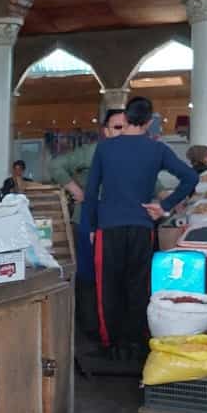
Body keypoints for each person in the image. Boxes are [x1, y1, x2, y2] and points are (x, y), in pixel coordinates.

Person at [82, 96, 198, 362]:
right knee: (139, 286)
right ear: (148, 121)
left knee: (107, 288)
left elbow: (91, 193)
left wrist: (89, 226)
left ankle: (111, 344)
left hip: (107, 227)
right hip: (142, 226)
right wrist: (164, 205)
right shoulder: (157, 149)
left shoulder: (105, 149)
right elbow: (190, 177)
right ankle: (137, 343)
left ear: (126, 117)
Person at [49, 108, 127, 338]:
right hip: (87, 220)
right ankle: (90, 330)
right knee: (88, 275)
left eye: (128, 126)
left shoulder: (134, 154)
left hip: (120, 223)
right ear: (106, 131)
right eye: (117, 127)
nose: (123, 132)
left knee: (118, 276)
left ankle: (115, 330)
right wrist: (75, 190)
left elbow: (155, 185)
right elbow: (56, 166)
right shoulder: (94, 151)